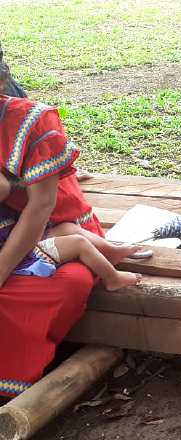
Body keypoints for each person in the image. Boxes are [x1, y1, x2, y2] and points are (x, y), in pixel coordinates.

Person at [0, 58, 106, 399]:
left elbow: (41, 206)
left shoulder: (30, 120)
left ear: (1, 84)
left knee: (69, 283)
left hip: (54, 226)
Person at [0, 175, 142, 291]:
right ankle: (112, 279)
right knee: (78, 244)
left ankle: (111, 252)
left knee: (69, 228)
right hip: (17, 258)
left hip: (22, 240)